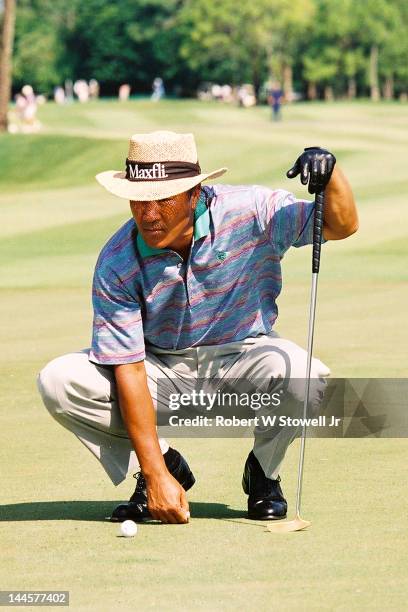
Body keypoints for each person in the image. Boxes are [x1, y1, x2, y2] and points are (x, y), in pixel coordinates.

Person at [37, 131, 358, 525]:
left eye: (163, 199)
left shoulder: (251, 210)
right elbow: (130, 368)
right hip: (160, 367)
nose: (148, 214)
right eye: (138, 200)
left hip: (245, 355)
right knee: (58, 380)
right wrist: (155, 472)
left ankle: (263, 473)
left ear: (194, 194)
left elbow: (340, 226)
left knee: (305, 375)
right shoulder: (117, 260)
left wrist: (332, 173)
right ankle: (168, 466)